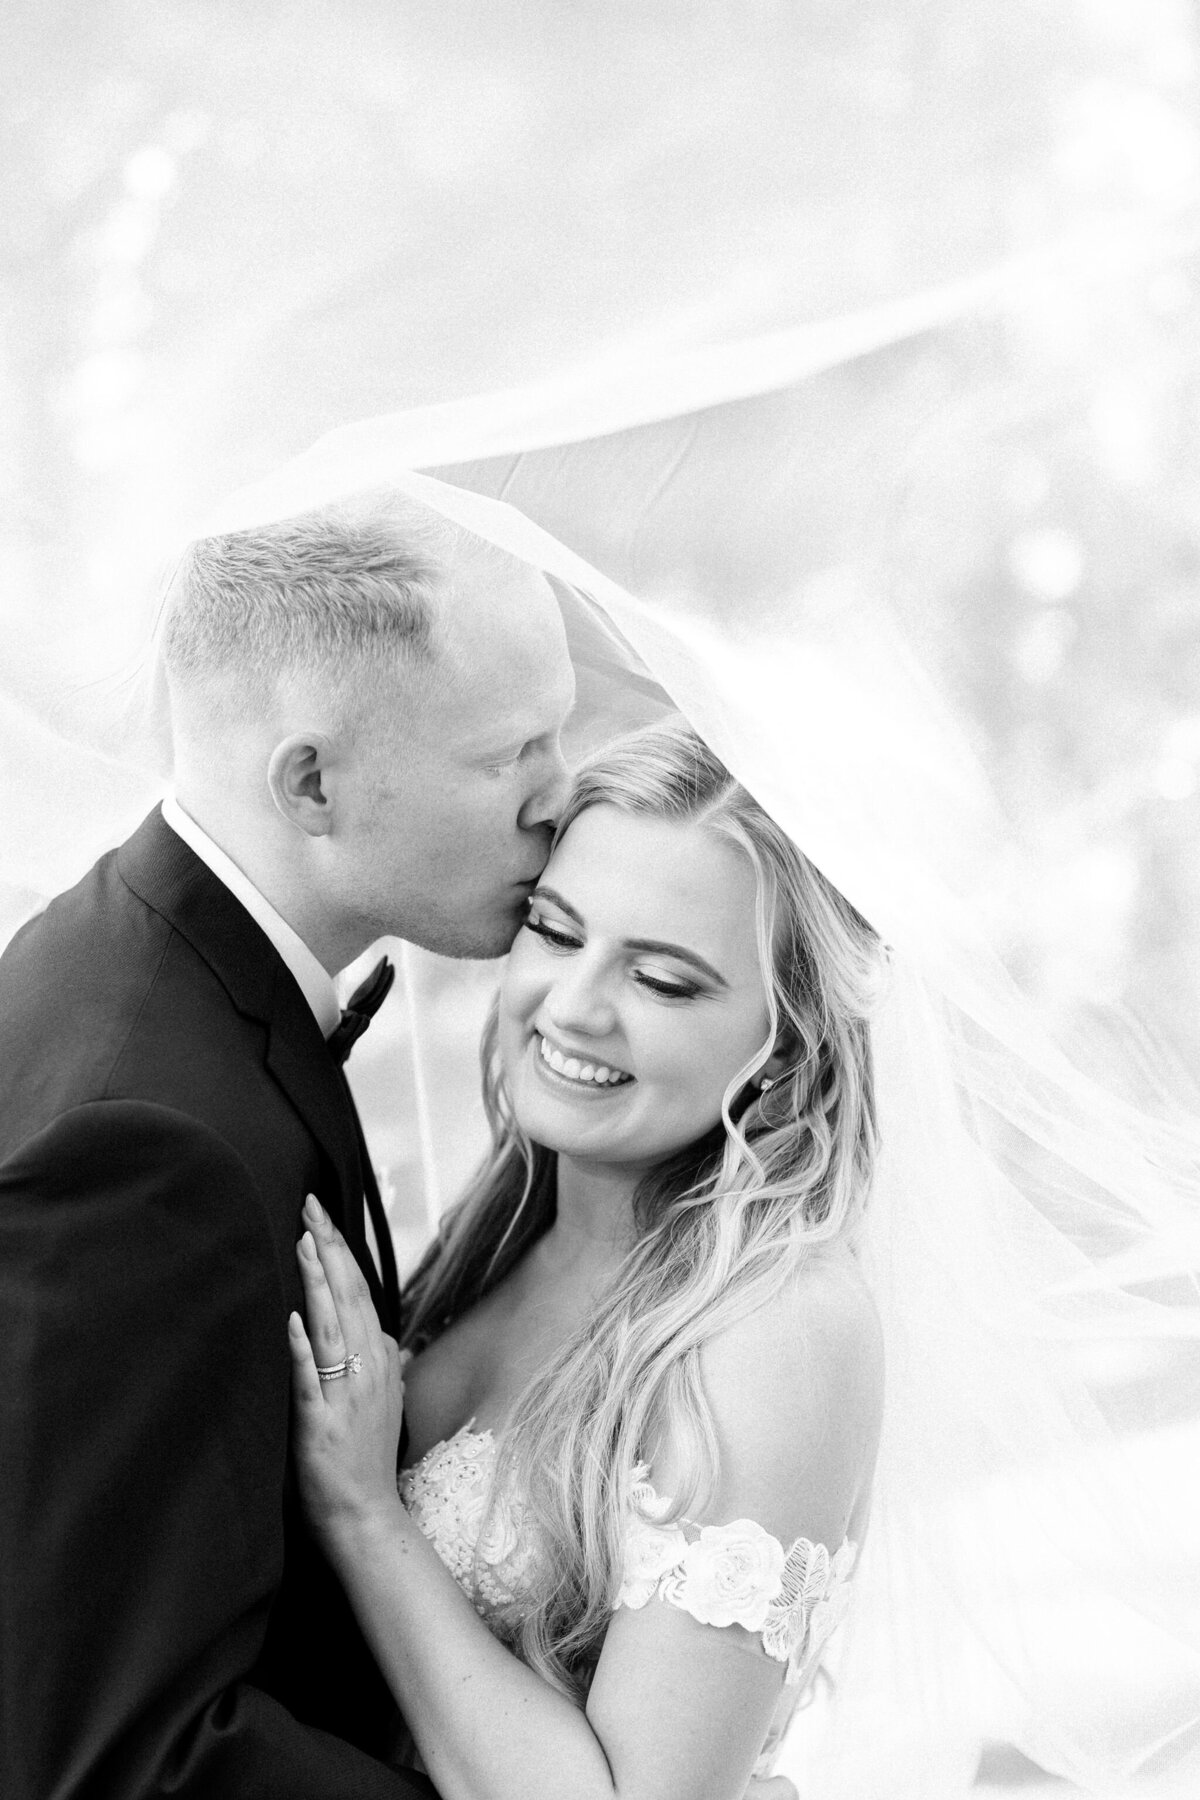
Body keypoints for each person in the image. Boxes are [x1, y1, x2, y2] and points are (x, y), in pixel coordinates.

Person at [0, 493, 576, 1799]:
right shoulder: (145, 1139)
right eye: (511, 753)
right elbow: (124, 1756)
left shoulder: (151, 968)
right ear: (310, 780)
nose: (562, 797)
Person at [288, 720, 886, 1799]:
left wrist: (364, 1515)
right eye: (557, 933)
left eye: (661, 981)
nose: (572, 1006)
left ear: (787, 1044)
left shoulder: (779, 1326)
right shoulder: (508, 1223)